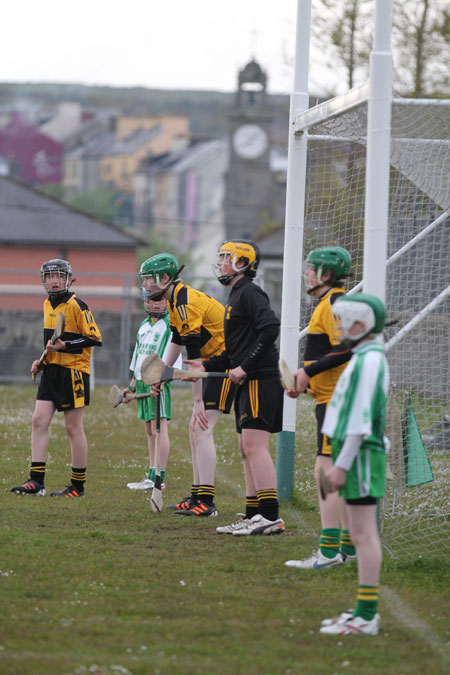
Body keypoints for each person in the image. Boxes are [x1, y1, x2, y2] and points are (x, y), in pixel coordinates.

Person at [185, 239, 285, 536]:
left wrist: (245, 368)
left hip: (259, 380)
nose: (221, 262)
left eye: (226, 257)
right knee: (245, 448)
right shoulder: (236, 295)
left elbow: (270, 327)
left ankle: (270, 516)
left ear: (242, 263)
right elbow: (232, 352)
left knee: (255, 447)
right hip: (249, 380)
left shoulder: (250, 293)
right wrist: (205, 366)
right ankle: (254, 514)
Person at [139, 253, 235, 517]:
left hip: (224, 366)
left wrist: (197, 401)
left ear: (164, 278)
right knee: (195, 430)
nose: (145, 285)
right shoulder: (176, 299)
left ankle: (207, 502)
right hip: (211, 365)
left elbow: (194, 357)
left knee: (201, 429)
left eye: (149, 279)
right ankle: (197, 497)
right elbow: (178, 339)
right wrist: (160, 373)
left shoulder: (185, 302)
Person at [318, 293, 389, 636]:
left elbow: (360, 421)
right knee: (361, 534)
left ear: (361, 325)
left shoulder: (368, 361)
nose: (339, 327)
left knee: (362, 535)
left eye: (345, 321)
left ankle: (366, 615)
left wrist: (342, 465)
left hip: (360, 458)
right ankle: (363, 612)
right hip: (356, 456)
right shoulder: (365, 356)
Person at [285, 246, 356, 568]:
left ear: (326, 274)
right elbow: (327, 356)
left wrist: (306, 372)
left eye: (311, 269)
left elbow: (347, 350)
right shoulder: (326, 304)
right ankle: (348, 547)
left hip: (338, 403)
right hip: (327, 400)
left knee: (325, 471)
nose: (306, 274)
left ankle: (329, 553)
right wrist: (307, 384)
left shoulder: (337, 303)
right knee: (333, 470)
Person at [11, 259, 102, 498]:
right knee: (38, 420)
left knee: (73, 428)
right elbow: (50, 345)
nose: (53, 281)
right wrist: (41, 362)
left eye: (58, 276)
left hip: (74, 372)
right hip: (51, 372)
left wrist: (65, 346)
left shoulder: (77, 304)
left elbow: (94, 338)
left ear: (68, 278)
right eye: (49, 276)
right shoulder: (46, 305)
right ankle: (36, 481)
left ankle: (77, 486)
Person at [122, 295, 179, 491]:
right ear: (145, 301)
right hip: (142, 383)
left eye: (160, 300)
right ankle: (152, 473)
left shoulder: (170, 326)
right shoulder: (144, 325)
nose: (156, 304)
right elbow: (139, 355)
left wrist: (160, 382)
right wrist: (132, 385)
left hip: (157, 383)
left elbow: (171, 361)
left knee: (159, 429)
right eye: (152, 300)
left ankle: (159, 477)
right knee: (149, 431)